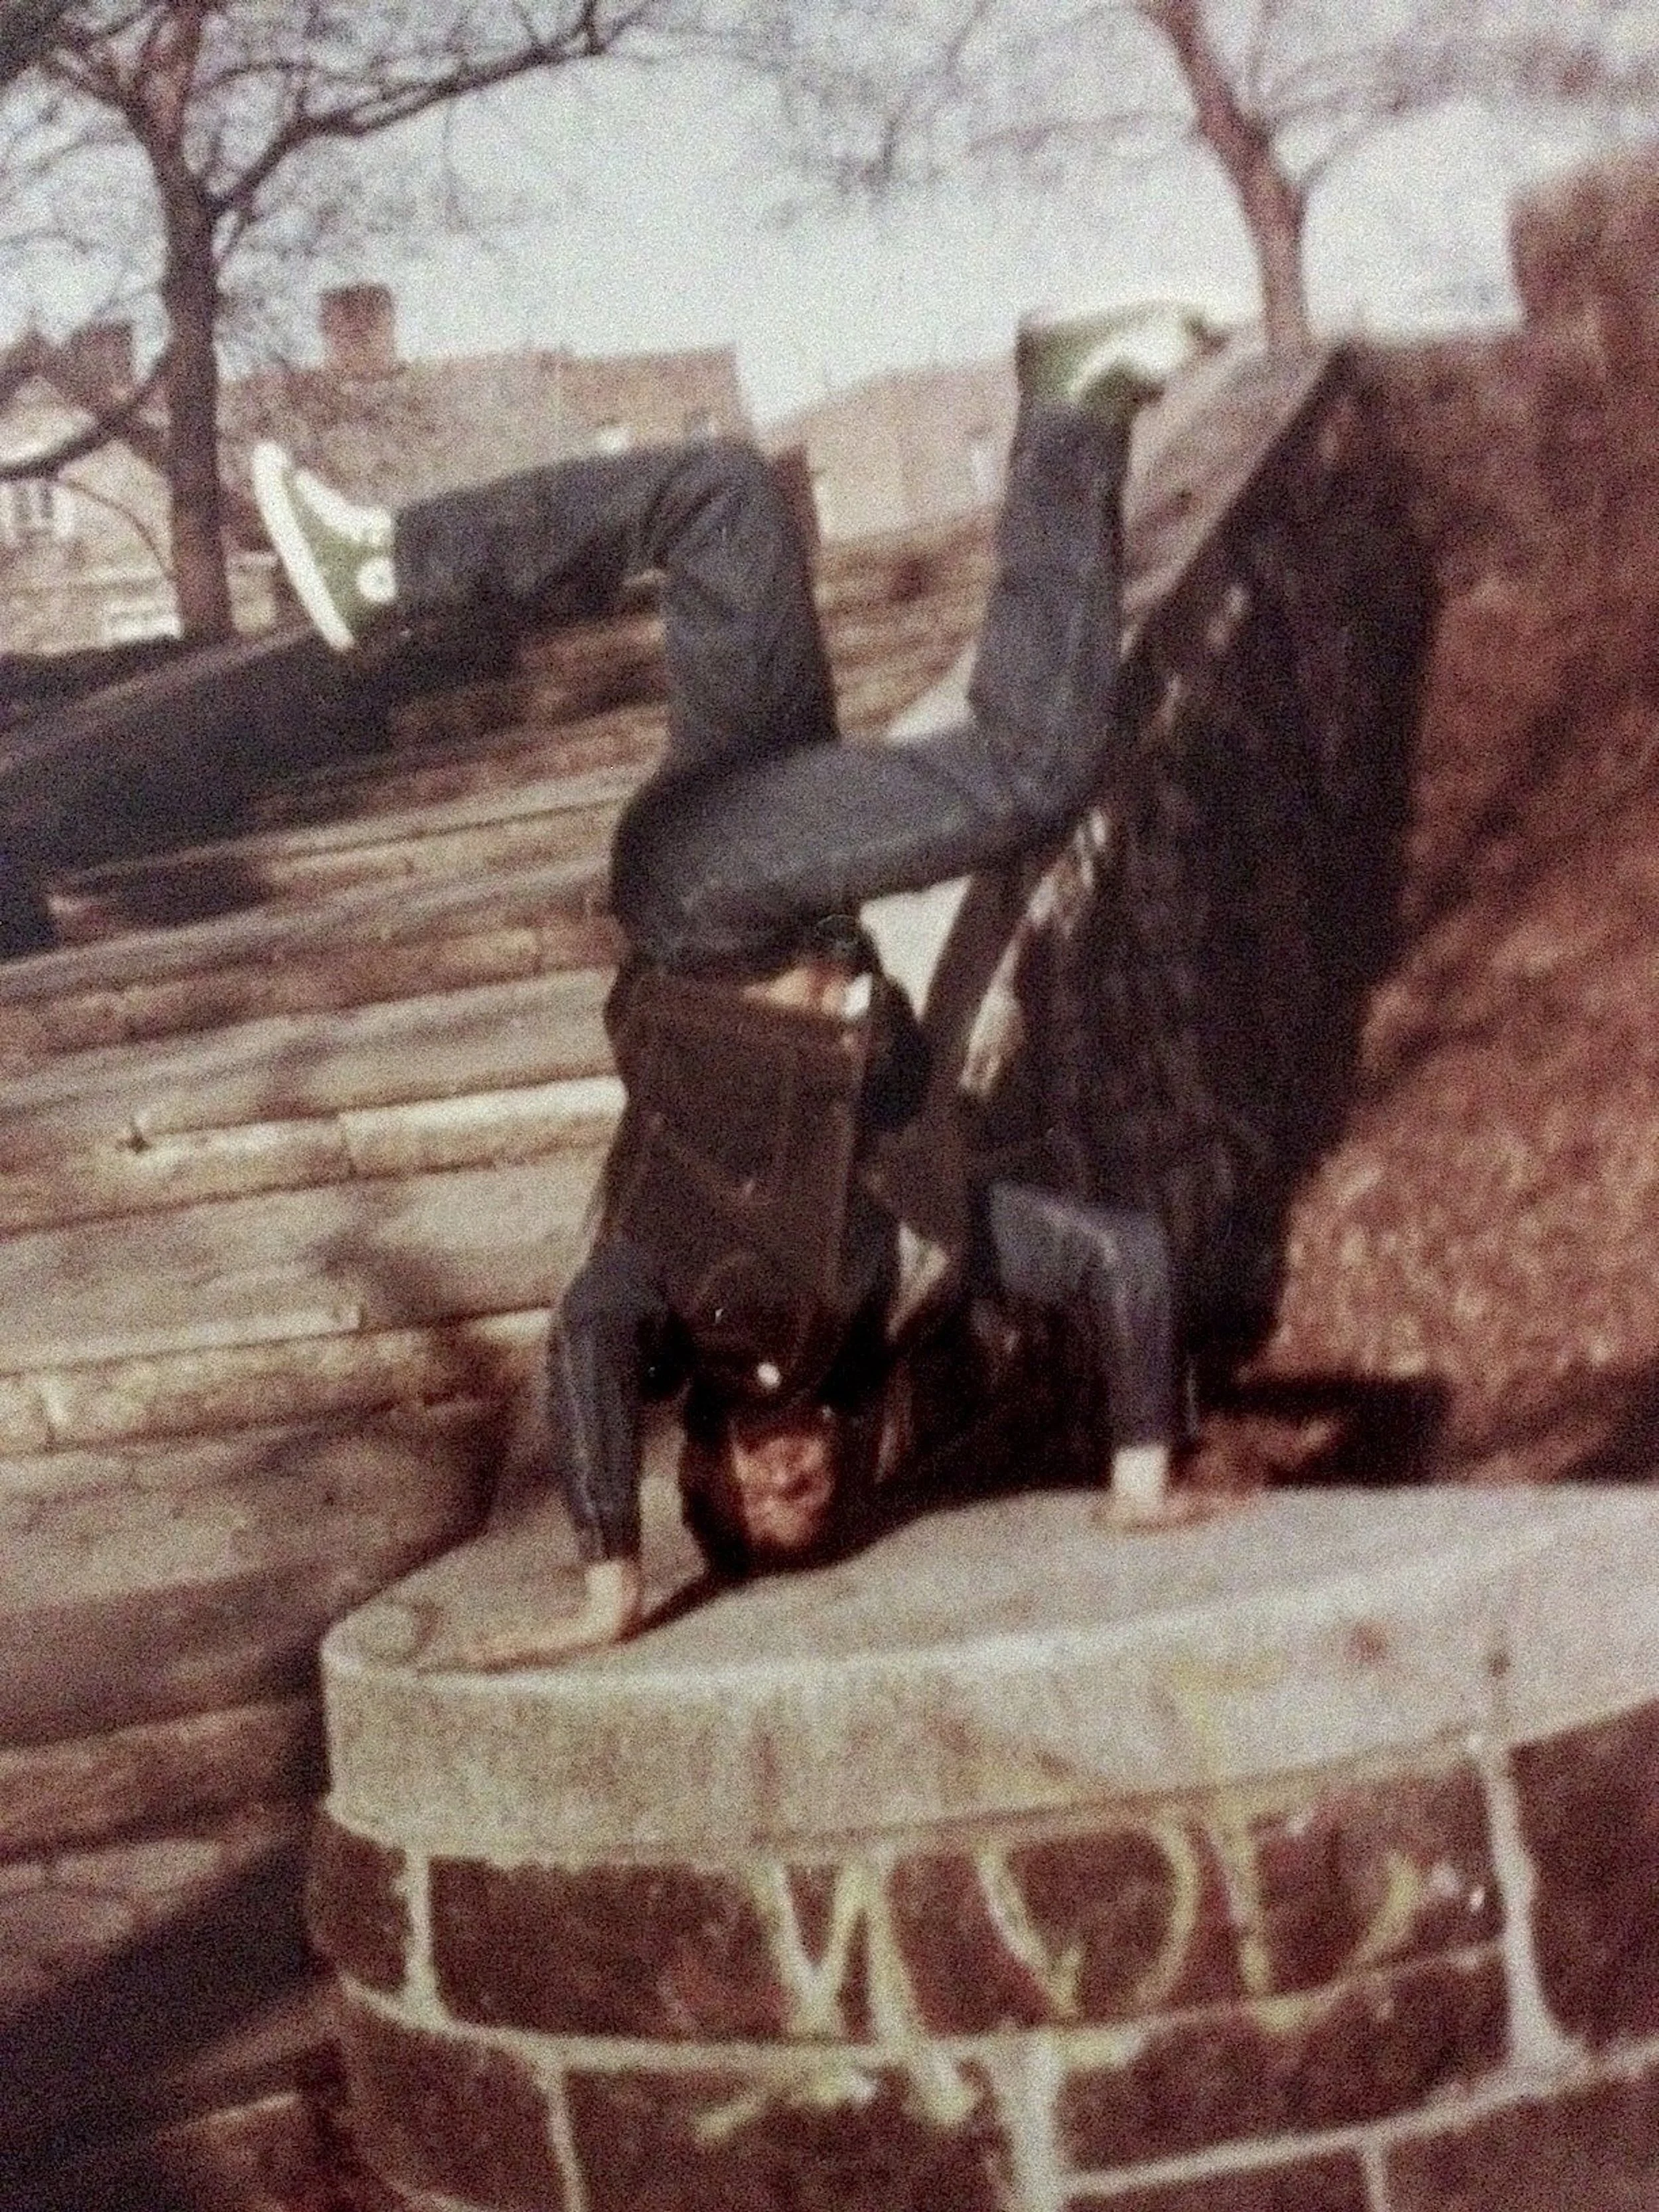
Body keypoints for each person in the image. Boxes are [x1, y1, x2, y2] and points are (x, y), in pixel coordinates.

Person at [252, 303, 1218, 1663]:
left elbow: (583, 1342)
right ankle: (382, 568)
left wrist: (608, 1577)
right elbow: (1118, 1257)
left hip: (700, 908)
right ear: (839, 1449)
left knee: (1023, 770)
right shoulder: (911, 1266)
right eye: (810, 1492)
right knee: (720, 501)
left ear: (698, 1473)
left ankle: (1069, 405)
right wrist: (1138, 1472)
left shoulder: (663, 1310)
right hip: (777, 872)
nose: (783, 1481)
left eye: (751, 1502)